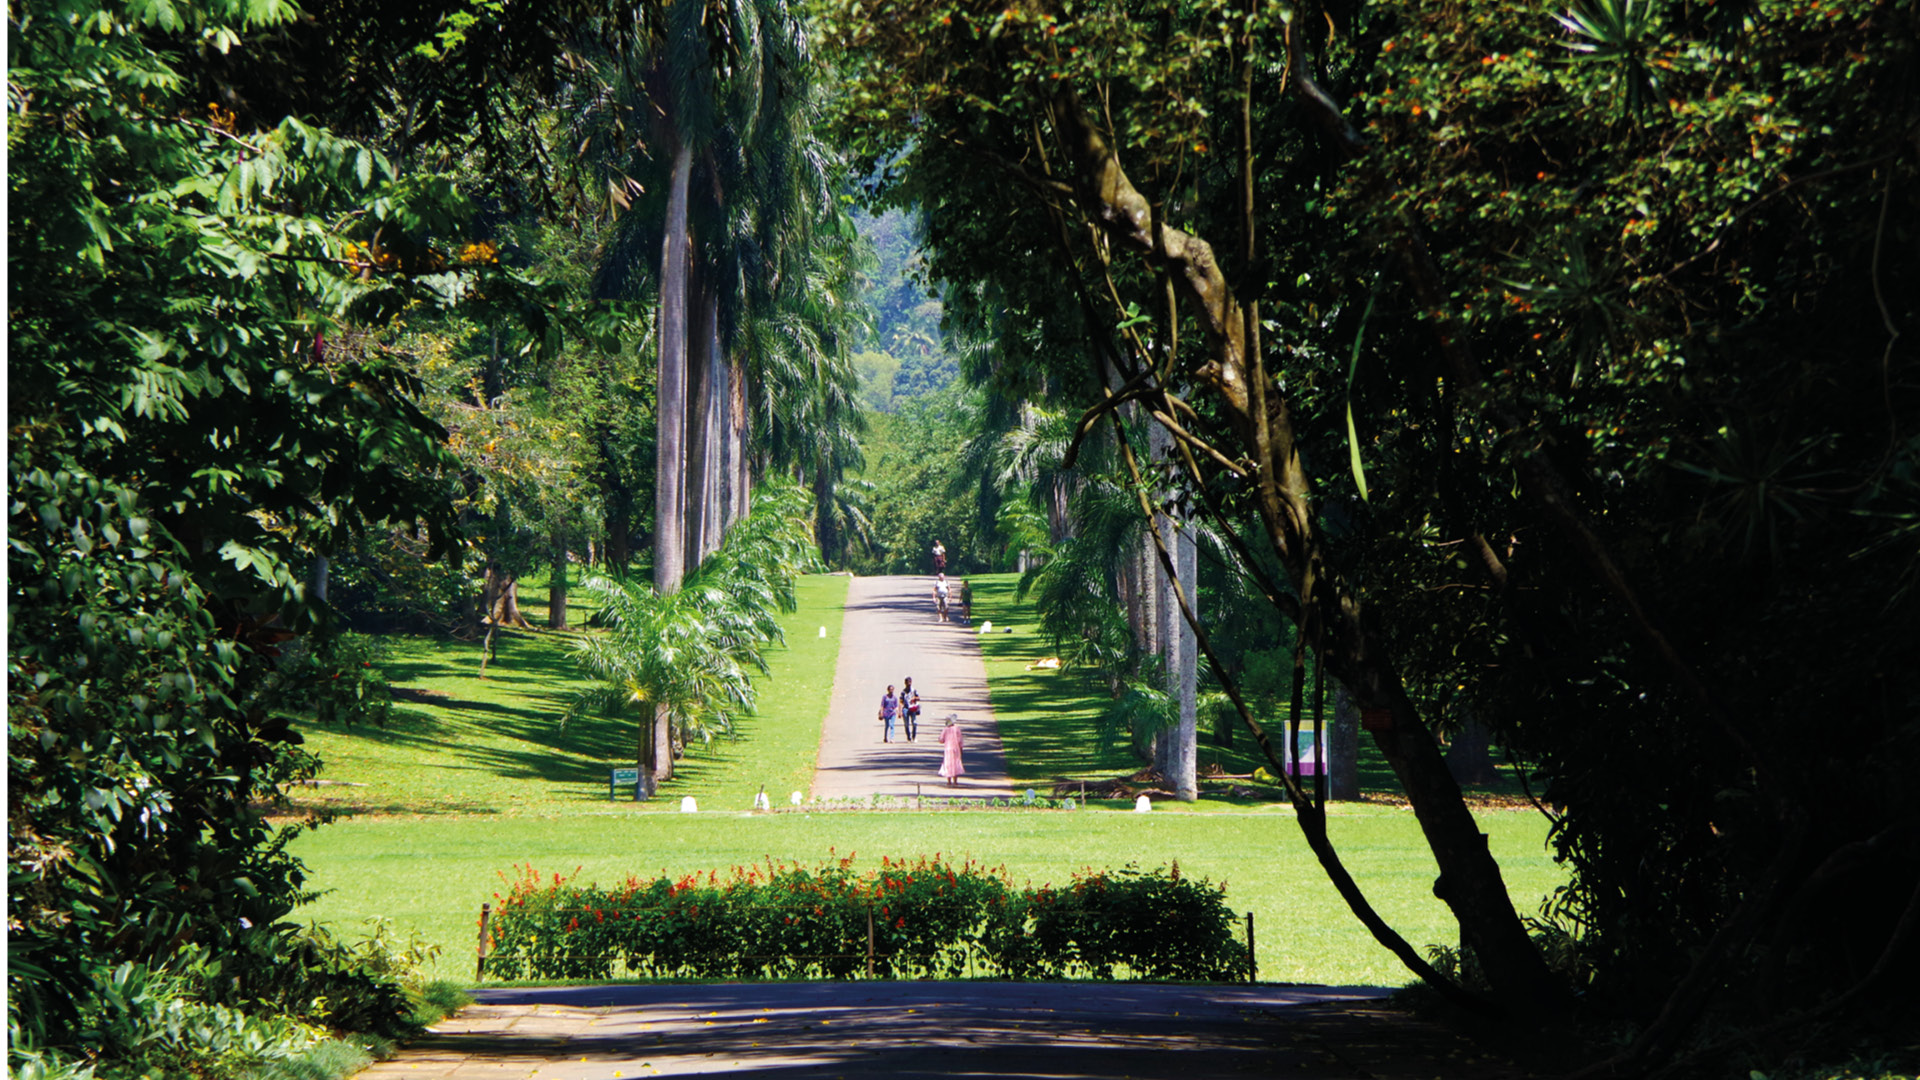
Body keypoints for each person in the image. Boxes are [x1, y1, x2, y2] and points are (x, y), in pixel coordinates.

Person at [938, 714, 965, 787]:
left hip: (947, 749)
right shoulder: (957, 728)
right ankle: (955, 781)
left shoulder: (945, 729)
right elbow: (960, 740)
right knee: (955, 763)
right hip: (956, 748)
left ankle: (949, 781)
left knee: (948, 764)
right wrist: (961, 748)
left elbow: (941, 740)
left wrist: (939, 738)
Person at [901, 677, 922, 742]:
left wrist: (914, 698)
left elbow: (918, 698)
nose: (909, 683)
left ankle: (914, 737)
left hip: (913, 708)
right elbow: (901, 701)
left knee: (914, 723)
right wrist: (899, 711)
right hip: (906, 709)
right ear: (905, 683)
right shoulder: (903, 692)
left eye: (910, 682)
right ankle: (908, 737)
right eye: (907, 682)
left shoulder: (914, 690)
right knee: (906, 724)